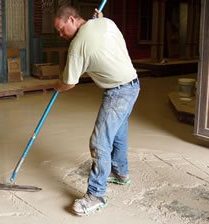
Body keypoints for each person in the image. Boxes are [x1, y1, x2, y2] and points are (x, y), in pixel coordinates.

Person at [53, 5, 140, 216]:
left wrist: (57, 85)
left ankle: (96, 195)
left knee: (99, 142)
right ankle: (120, 173)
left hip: (118, 92)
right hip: (133, 85)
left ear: (73, 19)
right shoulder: (106, 22)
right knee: (117, 134)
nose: (61, 34)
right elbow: (101, 31)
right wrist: (98, 19)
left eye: (62, 28)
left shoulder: (77, 45)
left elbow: (69, 82)